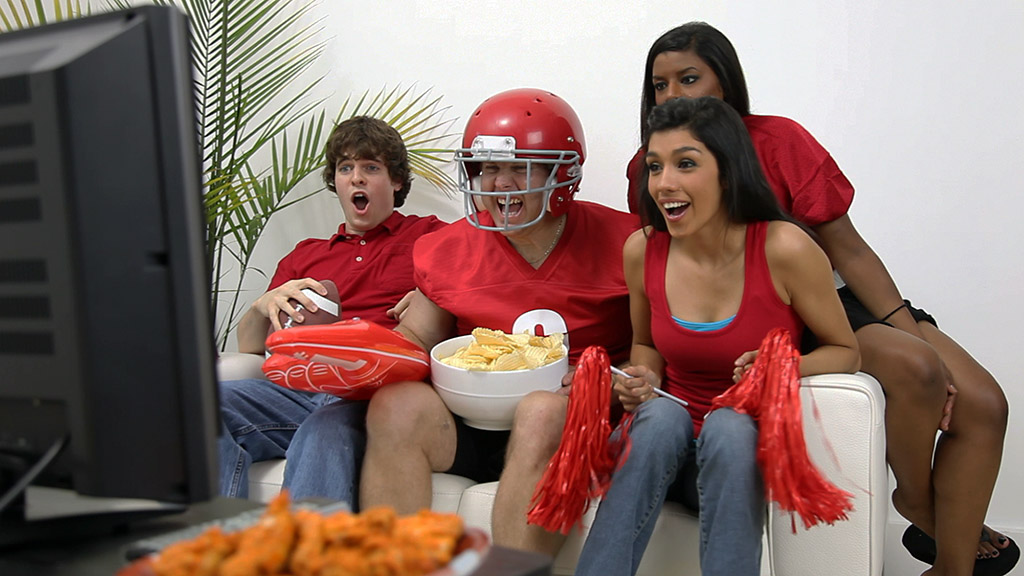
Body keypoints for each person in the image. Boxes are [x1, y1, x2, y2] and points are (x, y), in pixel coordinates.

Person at [625, 22, 1014, 576]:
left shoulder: (780, 140)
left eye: (689, 79)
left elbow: (848, 251)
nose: (672, 95)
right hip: (766, 320)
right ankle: (917, 500)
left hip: (827, 298)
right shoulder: (651, 166)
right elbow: (663, 268)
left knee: (984, 403)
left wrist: (912, 330)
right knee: (917, 368)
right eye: (659, 85)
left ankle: (953, 565)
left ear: (725, 82)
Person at [345, 88, 638, 557]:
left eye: (518, 167)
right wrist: (353, 357)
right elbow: (415, 337)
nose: (500, 183)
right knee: (395, 404)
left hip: (572, 427)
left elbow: (654, 349)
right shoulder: (449, 247)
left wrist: (609, 382)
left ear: (563, 173)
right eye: (487, 168)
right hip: (472, 422)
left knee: (540, 410)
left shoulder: (626, 243)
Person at [575, 95, 860, 576]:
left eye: (685, 164)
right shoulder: (643, 250)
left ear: (728, 171)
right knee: (659, 417)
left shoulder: (784, 248)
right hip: (660, 447)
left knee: (730, 426)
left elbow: (847, 352)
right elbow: (646, 345)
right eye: (655, 166)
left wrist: (781, 365)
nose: (664, 183)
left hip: (740, 454)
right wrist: (642, 377)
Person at [218, 115, 446, 503]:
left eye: (370, 168)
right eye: (345, 168)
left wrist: (431, 295)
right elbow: (250, 347)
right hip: (300, 389)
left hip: (374, 397)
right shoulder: (305, 255)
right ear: (335, 181)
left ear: (396, 181)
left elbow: (475, 283)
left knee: (324, 428)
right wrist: (262, 304)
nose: (356, 178)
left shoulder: (431, 237)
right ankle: (215, 535)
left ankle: (311, 543)